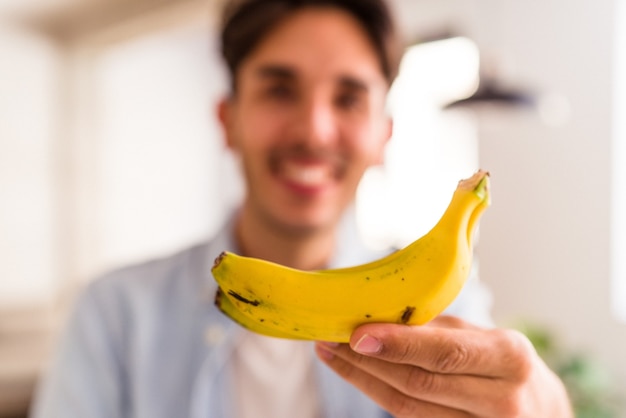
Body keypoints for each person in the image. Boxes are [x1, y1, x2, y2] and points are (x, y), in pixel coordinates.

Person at [30, 0, 573, 417]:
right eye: (279, 90)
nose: (314, 130)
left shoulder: (438, 303)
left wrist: (544, 406)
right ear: (228, 120)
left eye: (348, 97)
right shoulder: (114, 314)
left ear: (384, 136)